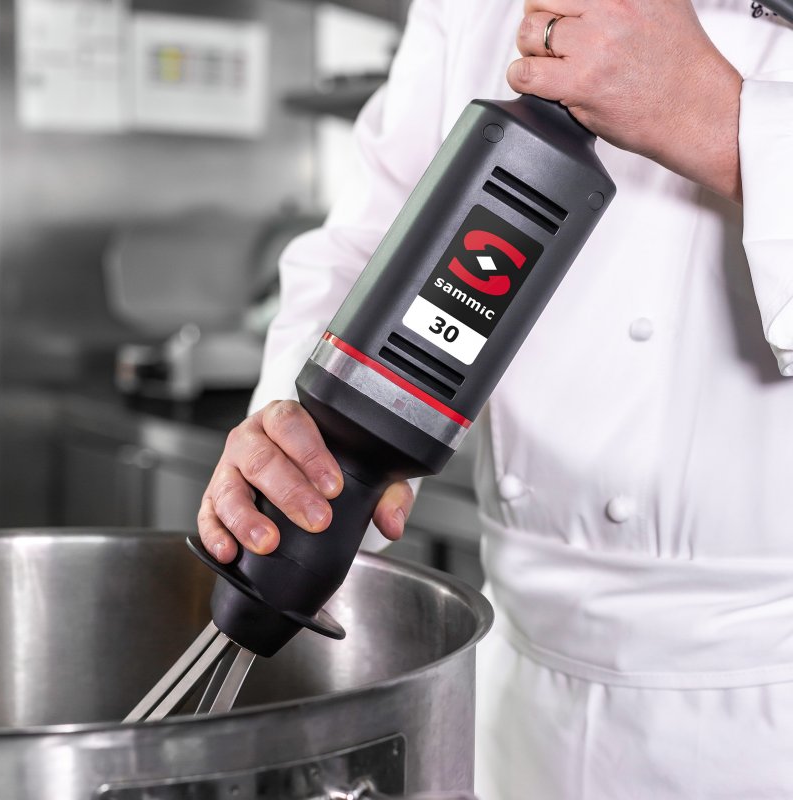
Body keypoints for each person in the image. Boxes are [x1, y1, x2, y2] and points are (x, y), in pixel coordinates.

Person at [197, 1, 793, 797]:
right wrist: (294, 436)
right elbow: (373, 238)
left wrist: (722, 119)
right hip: (513, 689)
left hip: (760, 712)